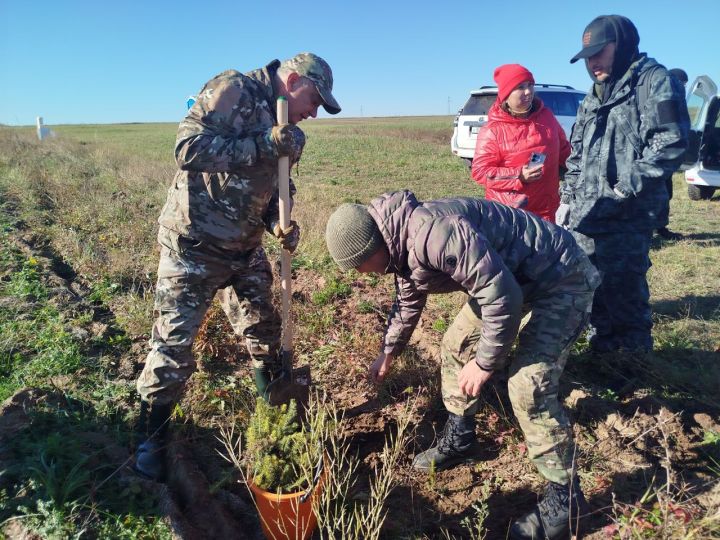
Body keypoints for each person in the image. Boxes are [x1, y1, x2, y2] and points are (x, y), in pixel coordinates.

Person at [326, 190, 600, 540]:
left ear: (372, 246)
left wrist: (486, 362)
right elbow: (409, 298)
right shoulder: (399, 244)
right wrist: (389, 351)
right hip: (510, 279)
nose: (364, 274)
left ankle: (566, 501)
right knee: (455, 345)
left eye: (360, 265)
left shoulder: (433, 235)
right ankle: (461, 436)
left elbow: (503, 297)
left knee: (527, 384)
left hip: (560, 277)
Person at [133, 52, 341, 481]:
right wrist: (266, 142)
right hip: (194, 245)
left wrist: (280, 223)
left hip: (244, 251)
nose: (313, 113)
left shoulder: (293, 131)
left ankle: (277, 422)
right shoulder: (234, 89)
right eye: (315, 101)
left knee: (265, 334)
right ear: (294, 79)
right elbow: (187, 149)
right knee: (173, 346)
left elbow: (277, 184)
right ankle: (151, 436)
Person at [557, 15, 689, 354]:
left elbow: (671, 142)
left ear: (624, 44)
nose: (593, 62)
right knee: (590, 287)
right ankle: (601, 352)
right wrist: (568, 196)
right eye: (588, 56)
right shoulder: (594, 95)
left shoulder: (654, 82)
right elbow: (577, 152)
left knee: (624, 293)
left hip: (627, 214)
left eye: (600, 52)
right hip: (587, 215)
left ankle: (631, 368)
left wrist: (624, 188)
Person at [471, 64, 571, 222]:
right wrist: (518, 175)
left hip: (549, 211)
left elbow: (564, 150)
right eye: (520, 87)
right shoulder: (493, 130)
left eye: (530, 85)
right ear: (506, 94)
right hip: (512, 216)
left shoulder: (547, 117)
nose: (528, 91)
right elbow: (480, 172)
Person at [656, 67, 690, 240]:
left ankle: (661, 227)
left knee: (666, 193)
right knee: (658, 194)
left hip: (666, 158)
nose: (683, 86)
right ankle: (655, 229)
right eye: (682, 83)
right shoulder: (664, 96)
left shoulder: (676, 97)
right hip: (658, 156)